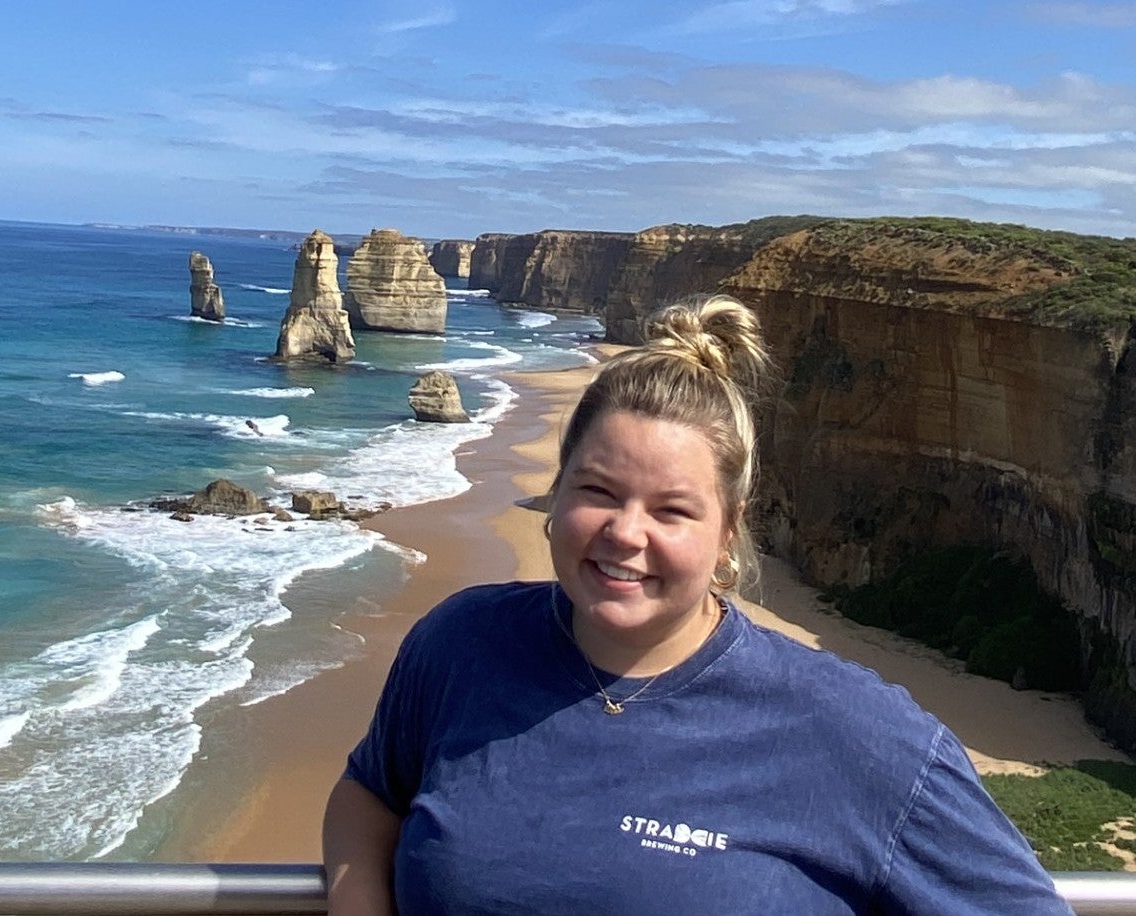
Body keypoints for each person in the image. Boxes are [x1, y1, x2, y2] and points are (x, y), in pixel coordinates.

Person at [322, 294, 1072, 914]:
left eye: (672, 510)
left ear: (727, 534)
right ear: (557, 495)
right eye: (598, 491)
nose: (625, 533)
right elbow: (369, 792)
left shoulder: (853, 733)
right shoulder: (463, 644)